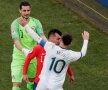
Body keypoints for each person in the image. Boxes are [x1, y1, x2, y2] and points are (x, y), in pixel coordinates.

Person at [19, 19, 89, 90]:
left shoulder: (50, 47)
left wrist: (26, 26)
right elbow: (83, 53)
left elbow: (37, 37)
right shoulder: (70, 55)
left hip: (43, 83)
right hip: (55, 86)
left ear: (61, 40)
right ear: (70, 43)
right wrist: (86, 40)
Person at [10, 1, 46, 90]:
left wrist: (49, 45)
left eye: (28, 10)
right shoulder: (15, 24)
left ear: (30, 10)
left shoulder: (36, 22)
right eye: (24, 10)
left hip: (33, 56)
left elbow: (42, 36)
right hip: (19, 57)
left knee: (31, 81)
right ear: (20, 11)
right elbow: (16, 41)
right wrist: (24, 50)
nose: (26, 13)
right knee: (16, 85)